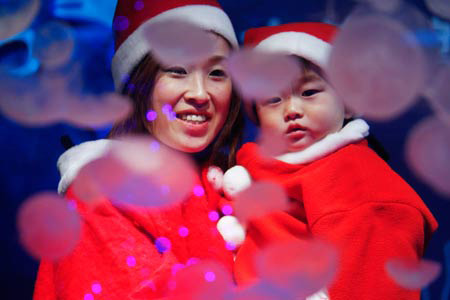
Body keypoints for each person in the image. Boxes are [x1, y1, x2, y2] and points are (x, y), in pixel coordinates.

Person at [33, 0, 243, 299]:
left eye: (218, 73)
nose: (200, 93)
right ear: (138, 84)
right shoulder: (101, 196)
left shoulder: (229, 188)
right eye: (177, 70)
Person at [226, 22, 438, 299]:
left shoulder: (361, 187)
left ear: (348, 102)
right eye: (274, 99)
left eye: (309, 92)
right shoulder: (254, 170)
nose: (292, 110)